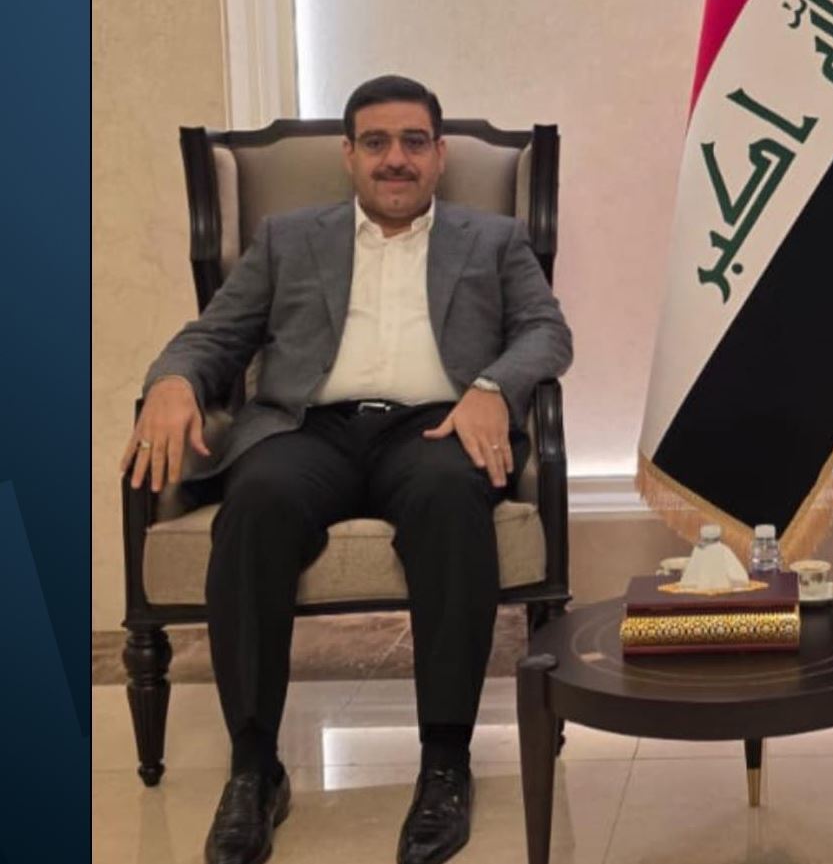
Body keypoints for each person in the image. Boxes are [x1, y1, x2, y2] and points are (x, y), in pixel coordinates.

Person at [121, 74, 572, 864]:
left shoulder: (492, 239)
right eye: (376, 142)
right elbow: (214, 336)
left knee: (449, 500)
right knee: (256, 504)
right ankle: (254, 770)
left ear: (439, 154)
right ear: (348, 154)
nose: (395, 158)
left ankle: (444, 763)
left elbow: (547, 331)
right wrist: (172, 381)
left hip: (434, 426)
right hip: (308, 428)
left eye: (413, 141)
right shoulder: (287, 237)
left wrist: (492, 388)